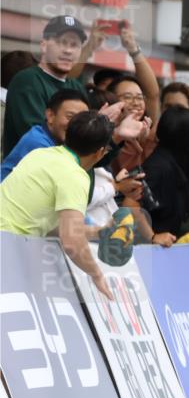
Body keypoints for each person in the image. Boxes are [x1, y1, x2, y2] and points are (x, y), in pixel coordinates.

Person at [0, 111, 118, 300]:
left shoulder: (40, 154)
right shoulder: (75, 175)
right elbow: (71, 240)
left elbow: (49, 225)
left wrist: (98, 232)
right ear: (100, 152)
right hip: (8, 251)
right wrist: (97, 274)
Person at [3, 16, 90, 158]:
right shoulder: (27, 80)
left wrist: (112, 132)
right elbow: (37, 141)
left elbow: (92, 150)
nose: (68, 50)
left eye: (74, 45)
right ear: (44, 45)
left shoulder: (77, 87)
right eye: (61, 43)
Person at [141, 106, 189, 246]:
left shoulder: (178, 166)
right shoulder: (157, 168)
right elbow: (131, 204)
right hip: (147, 255)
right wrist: (152, 237)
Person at [2, 89, 89, 180]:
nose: (76, 125)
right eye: (70, 117)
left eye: (82, 119)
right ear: (50, 115)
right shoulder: (39, 144)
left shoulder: (49, 137)